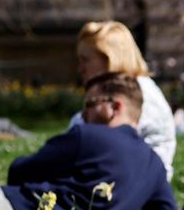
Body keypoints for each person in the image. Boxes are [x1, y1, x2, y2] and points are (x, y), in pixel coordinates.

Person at [0, 73, 176, 210]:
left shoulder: (87, 135)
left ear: (114, 107)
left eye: (90, 104)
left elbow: (19, 172)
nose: (83, 113)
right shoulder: (154, 164)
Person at [70, 21, 177, 180]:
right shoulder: (121, 88)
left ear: (109, 59)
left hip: (139, 181)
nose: (80, 68)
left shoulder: (136, 94)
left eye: (85, 60)